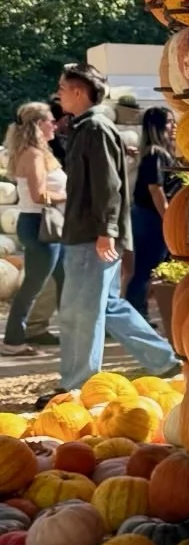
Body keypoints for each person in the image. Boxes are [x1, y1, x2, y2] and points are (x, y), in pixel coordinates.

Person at [53, 66, 179, 397]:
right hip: (91, 231)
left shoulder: (94, 128)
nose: (58, 94)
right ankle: (164, 360)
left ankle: (76, 385)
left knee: (80, 311)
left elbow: (108, 185)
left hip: (91, 234)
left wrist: (107, 230)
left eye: (63, 88)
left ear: (79, 92)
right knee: (107, 306)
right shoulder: (87, 127)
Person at [1, 102, 66, 361]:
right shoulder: (34, 155)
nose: (55, 124)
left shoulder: (32, 152)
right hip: (42, 225)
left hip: (38, 223)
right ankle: (14, 341)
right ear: (39, 124)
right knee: (32, 286)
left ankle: (68, 331)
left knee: (63, 278)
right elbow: (40, 195)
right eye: (51, 120)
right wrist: (67, 195)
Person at [123, 105, 176, 321]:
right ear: (157, 126)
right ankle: (134, 316)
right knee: (144, 268)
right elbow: (156, 190)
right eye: (170, 122)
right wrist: (168, 219)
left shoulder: (158, 152)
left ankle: (136, 313)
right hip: (150, 218)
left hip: (147, 216)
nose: (175, 127)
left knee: (145, 267)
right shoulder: (155, 154)